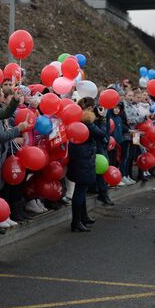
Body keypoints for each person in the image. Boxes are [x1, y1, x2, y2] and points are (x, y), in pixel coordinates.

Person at [68, 98, 99, 232]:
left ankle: (83, 217)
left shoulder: (75, 118)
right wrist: (102, 120)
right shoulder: (87, 121)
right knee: (80, 190)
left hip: (77, 155)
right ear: (90, 109)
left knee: (82, 188)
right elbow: (102, 134)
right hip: (84, 157)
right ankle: (76, 222)